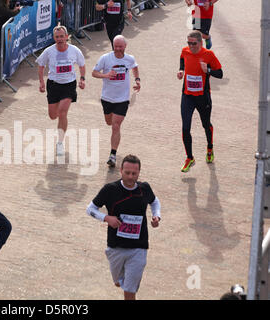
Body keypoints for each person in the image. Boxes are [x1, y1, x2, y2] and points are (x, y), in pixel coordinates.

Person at [86, 154, 161, 300]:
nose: (131, 177)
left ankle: (128, 286)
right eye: (127, 173)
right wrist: (107, 218)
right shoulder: (110, 189)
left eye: (134, 173)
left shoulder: (144, 188)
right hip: (116, 248)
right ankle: (120, 280)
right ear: (121, 171)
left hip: (138, 248)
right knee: (118, 282)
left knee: (129, 290)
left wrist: (156, 215)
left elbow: (155, 202)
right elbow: (90, 209)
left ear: (139, 172)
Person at [177, 30, 223, 172]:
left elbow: (220, 74)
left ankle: (210, 148)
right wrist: (181, 70)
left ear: (200, 43)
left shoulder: (208, 55)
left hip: (203, 97)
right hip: (187, 96)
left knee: (205, 124)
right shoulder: (185, 51)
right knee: (185, 128)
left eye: (194, 44)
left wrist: (208, 70)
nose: (191, 46)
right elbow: (182, 59)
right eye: (189, 43)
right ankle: (189, 158)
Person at [36, 25, 86, 156]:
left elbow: (82, 65)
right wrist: (41, 82)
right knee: (53, 116)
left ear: (66, 36)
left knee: (63, 113)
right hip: (53, 85)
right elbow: (41, 65)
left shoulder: (74, 50)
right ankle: (60, 120)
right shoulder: (49, 51)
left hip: (69, 85)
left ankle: (60, 143)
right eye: (57, 37)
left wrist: (83, 79)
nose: (59, 39)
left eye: (62, 36)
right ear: (54, 38)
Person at [92, 35, 140, 168]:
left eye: (120, 46)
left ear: (125, 46)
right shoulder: (105, 58)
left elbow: (135, 67)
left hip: (122, 99)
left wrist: (137, 80)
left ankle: (112, 155)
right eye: (116, 46)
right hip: (107, 98)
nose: (118, 49)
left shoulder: (129, 59)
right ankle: (113, 149)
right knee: (109, 122)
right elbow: (94, 72)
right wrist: (105, 75)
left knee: (115, 125)